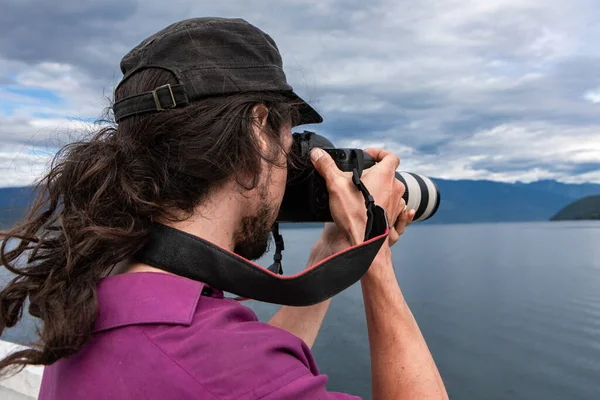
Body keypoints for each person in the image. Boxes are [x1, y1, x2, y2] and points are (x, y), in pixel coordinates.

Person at [0, 17, 448, 399]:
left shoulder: (102, 297)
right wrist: (375, 255)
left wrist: (330, 256)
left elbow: (235, 372)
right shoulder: (214, 359)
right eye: (289, 144)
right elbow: (233, 376)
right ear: (258, 131)